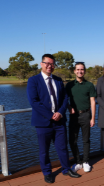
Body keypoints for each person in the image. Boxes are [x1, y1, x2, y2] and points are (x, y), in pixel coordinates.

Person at [27, 54, 81, 184]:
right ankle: (47, 172)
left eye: (52, 64)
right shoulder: (33, 80)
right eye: (47, 63)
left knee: (62, 147)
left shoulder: (58, 80)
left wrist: (60, 113)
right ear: (41, 64)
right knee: (44, 150)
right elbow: (34, 102)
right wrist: (50, 115)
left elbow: (64, 99)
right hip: (43, 122)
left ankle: (66, 169)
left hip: (59, 122)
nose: (49, 66)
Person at [65, 62, 96, 173]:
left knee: (86, 140)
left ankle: (86, 162)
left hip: (86, 115)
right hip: (74, 116)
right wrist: (69, 107)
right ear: (74, 71)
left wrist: (93, 118)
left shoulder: (89, 85)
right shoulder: (69, 85)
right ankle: (78, 162)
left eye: (82, 69)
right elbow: (64, 100)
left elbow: (93, 102)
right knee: (72, 140)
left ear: (84, 71)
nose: (80, 71)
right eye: (78, 69)